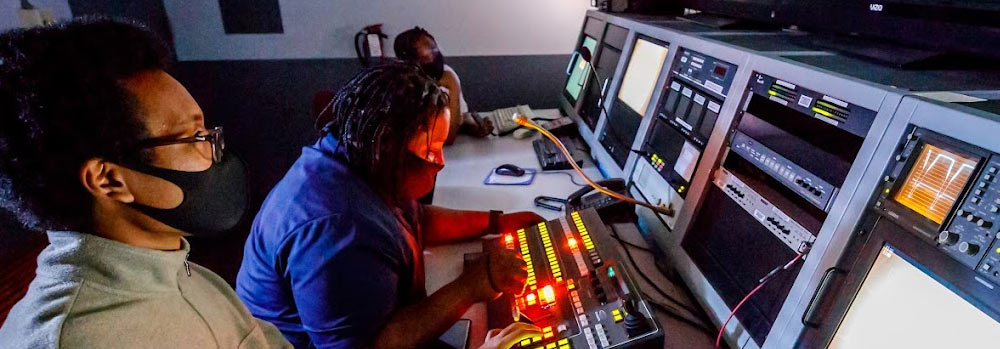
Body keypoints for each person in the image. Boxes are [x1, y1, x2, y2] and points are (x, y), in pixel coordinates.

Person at [0, 18, 290, 348]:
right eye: (193, 137)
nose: (214, 152)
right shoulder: (81, 339)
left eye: (208, 132)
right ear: (109, 180)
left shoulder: (180, 270)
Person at [236, 63, 544, 348]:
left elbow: (415, 218)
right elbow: (371, 345)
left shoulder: (356, 159)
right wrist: (474, 285)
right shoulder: (337, 227)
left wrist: (495, 223)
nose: (440, 162)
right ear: (386, 144)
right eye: (431, 152)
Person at [394, 26, 493, 144]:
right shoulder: (404, 86)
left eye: (434, 49)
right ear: (411, 62)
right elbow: (446, 137)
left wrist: (473, 128)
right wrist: (453, 86)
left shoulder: (446, 72)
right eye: (426, 54)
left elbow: (460, 118)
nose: (434, 55)